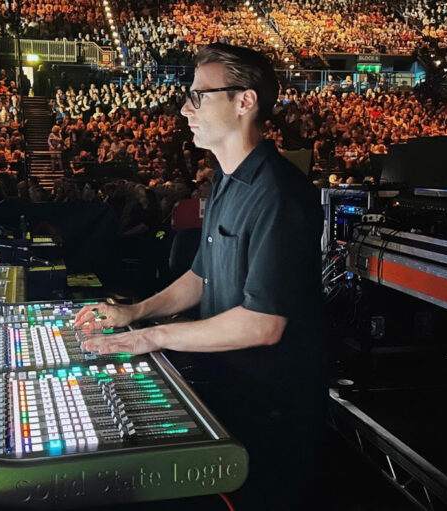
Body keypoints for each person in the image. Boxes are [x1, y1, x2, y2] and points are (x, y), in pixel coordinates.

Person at [74, 43, 325, 511]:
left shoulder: (280, 195)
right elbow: (200, 276)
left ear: (244, 101)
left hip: (270, 409)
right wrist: (135, 311)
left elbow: (262, 324)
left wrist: (152, 337)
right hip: (227, 390)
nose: (186, 110)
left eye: (198, 96)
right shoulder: (226, 179)